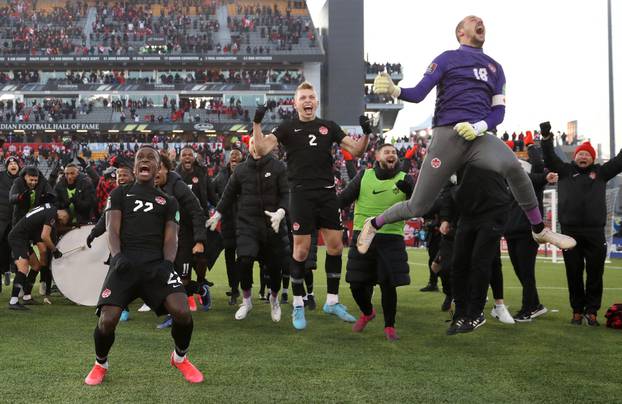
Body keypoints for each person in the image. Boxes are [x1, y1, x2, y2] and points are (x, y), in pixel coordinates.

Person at [359, 15, 576, 254]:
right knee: (418, 206)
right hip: (447, 137)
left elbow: (499, 113)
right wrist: (395, 90)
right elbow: (420, 93)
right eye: (473, 20)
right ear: (460, 32)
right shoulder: (447, 58)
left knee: (513, 167)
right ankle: (374, 223)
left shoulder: (496, 68)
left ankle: (538, 229)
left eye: (481, 20)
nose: (480, 22)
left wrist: (479, 127)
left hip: (479, 137)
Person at [252, 81, 371, 330]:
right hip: (301, 195)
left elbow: (357, 150)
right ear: (295, 103)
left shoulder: (329, 127)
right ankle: (297, 304)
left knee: (336, 247)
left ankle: (332, 301)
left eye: (311, 97)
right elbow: (262, 148)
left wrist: (368, 132)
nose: (307, 101)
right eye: (303, 97)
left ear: (316, 102)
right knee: (301, 252)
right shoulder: (287, 128)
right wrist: (257, 123)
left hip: (327, 194)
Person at [84, 146, 203, 385]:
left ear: (159, 167)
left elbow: (172, 238)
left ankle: (180, 357)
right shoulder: (119, 193)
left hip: (156, 266)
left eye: (152, 158)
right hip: (124, 264)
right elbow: (112, 229)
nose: (145, 161)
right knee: (107, 321)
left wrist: (168, 264)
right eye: (141, 158)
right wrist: (117, 257)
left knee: (182, 311)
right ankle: (100, 363)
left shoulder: (169, 201)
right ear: (135, 166)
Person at [540, 122, 622, 326]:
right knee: (573, 273)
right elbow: (549, 158)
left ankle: (591, 312)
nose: (583, 157)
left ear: (592, 158)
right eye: (580, 154)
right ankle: (577, 311)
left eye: (587, 154)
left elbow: (620, 161)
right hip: (570, 233)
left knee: (595, 274)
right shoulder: (566, 171)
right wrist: (546, 138)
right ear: (574, 157)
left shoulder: (601, 173)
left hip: (595, 232)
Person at [207, 138, 289, 322]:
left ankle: (274, 300)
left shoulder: (279, 167)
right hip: (247, 224)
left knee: (276, 268)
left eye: (259, 142)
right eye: (252, 143)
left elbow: (286, 194)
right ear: (249, 146)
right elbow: (228, 194)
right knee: (244, 261)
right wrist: (218, 214)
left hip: (273, 225)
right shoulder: (242, 169)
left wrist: (281, 212)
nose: (255, 146)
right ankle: (246, 301)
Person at [338, 143, 414, 341]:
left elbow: (419, 207)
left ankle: (389, 326)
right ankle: (368, 312)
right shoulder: (364, 176)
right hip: (363, 236)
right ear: (378, 157)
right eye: (387, 152)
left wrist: (411, 192)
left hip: (391, 238)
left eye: (394, 153)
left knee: (388, 284)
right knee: (355, 283)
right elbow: (343, 198)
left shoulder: (405, 178)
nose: (392, 155)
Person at [155, 154, 209, 328]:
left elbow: (197, 211)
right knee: (163, 277)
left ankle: (197, 292)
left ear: (166, 169)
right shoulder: (147, 187)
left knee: (182, 280)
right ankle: (177, 310)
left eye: (159, 168)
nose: (155, 172)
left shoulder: (178, 186)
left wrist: (199, 240)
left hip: (184, 237)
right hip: (162, 239)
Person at [86, 164, 134, 321]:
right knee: (115, 276)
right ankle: (120, 308)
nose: (121, 178)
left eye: (124, 175)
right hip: (119, 246)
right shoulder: (114, 194)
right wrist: (94, 233)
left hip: (140, 244)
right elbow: (106, 218)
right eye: (119, 175)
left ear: (133, 176)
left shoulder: (140, 193)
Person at [7, 203, 69, 309]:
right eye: (62, 222)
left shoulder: (48, 208)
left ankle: (26, 297)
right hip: (18, 238)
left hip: (23, 238)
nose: (60, 224)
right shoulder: (52, 214)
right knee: (23, 268)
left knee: (36, 266)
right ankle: (13, 301)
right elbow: (45, 236)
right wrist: (55, 250)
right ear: (63, 216)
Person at [212, 148, 243, 305]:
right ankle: (234, 288)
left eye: (237, 154)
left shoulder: (247, 172)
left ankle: (242, 286)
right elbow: (211, 191)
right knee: (229, 258)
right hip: (228, 224)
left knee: (244, 257)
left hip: (245, 223)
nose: (234, 157)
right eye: (232, 155)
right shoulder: (221, 175)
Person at [0, 156, 20, 289]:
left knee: (17, 249)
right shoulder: (1, 176)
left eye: (15, 163)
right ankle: (3, 271)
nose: (13, 165)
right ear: (6, 166)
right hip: (2, 220)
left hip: (17, 220)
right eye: (10, 163)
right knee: (1, 248)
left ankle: (15, 275)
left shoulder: (23, 179)